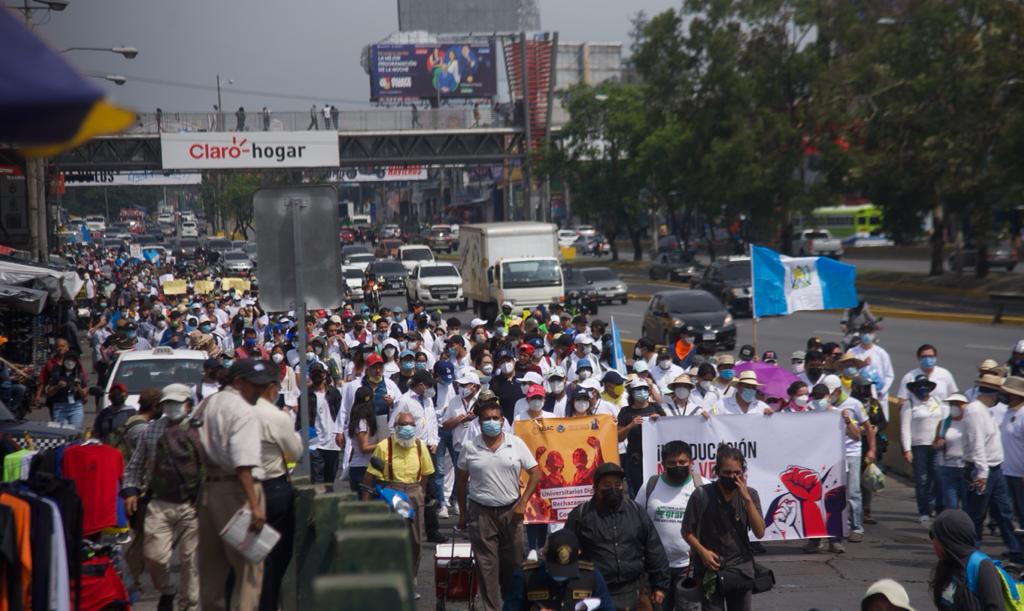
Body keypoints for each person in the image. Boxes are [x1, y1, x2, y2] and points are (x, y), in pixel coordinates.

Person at [196, 359, 273, 611]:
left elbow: (190, 438)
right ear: (238, 382)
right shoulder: (242, 410)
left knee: (211, 572)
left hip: (208, 489)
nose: (260, 391)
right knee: (249, 570)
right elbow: (243, 464)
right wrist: (254, 504)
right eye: (255, 385)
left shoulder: (209, 402)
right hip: (237, 492)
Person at [456, 399, 541, 611]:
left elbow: (535, 473)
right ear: (479, 421)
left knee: (513, 567)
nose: (491, 422)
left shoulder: (516, 443)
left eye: (495, 418)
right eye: (487, 419)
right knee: (486, 567)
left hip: (511, 512)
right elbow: (460, 480)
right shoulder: (469, 447)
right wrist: (462, 514)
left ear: (503, 420)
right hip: (481, 512)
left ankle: (513, 605)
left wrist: (523, 502)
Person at [122, 384, 199, 611]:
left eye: (177, 403)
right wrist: (131, 491)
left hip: (192, 505)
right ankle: (167, 589)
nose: (172, 407)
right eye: (168, 403)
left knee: (191, 561)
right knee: (154, 557)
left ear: (188, 404)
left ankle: (189, 605)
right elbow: (135, 465)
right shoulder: (150, 431)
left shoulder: (200, 431)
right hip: (159, 502)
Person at [564, 462, 670, 610]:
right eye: (607, 485)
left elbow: (654, 549)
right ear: (595, 488)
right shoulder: (581, 516)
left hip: (634, 592)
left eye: (617, 484)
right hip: (597, 593)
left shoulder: (636, 511)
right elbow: (565, 554)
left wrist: (660, 585)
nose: (613, 489)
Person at [682, 445, 766, 611]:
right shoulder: (701, 495)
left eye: (737, 473)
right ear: (717, 471)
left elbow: (760, 532)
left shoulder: (750, 494)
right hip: (709, 570)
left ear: (743, 471)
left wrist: (747, 500)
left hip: (740, 569)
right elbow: (686, 531)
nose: (732, 477)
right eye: (727, 473)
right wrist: (702, 552)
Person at [362, 408, 435, 577]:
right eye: (403, 424)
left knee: (415, 539)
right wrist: (364, 504)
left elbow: (426, 473)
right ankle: (390, 575)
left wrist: (420, 493)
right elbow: (369, 476)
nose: (408, 428)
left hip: (414, 492)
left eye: (411, 424)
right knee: (392, 537)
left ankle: (411, 577)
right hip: (392, 492)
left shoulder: (419, 446)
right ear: (396, 426)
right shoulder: (383, 446)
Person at [962, 373, 1023, 563]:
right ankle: (972, 552)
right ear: (993, 394)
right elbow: (977, 443)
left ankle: (1015, 550)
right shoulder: (975, 412)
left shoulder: (986, 410)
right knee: (976, 514)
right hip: (983, 469)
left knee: (1004, 512)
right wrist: (982, 473)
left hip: (996, 469)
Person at [634, 440, 702, 611]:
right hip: (655, 569)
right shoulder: (650, 486)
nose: (677, 466)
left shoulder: (702, 486)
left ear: (691, 463)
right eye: (672, 463)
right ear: (663, 464)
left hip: (690, 567)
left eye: (682, 462)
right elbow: (635, 521)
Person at [254, 378, 301, 611]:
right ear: (272, 390)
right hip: (273, 488)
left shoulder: (238, 413)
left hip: (238, 490)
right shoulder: (276, 416)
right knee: (275, 555)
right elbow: (295, 450)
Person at [501, 529, 616, 611]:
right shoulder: (525, 577)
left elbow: (607, 607)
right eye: (556, 570)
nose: (560, 578)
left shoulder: (591, 576)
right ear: (544, 556)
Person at [930, 509, 1007, 610]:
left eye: (937, 540)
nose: (934, 545)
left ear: (951, 541)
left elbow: (996, 607)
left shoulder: (983, 566)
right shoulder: (947, 564)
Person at [900, 373, 948, 524]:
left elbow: (944, 421)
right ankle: (924, 511)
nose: (923, 390)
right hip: (918, 447)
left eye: (925, 387)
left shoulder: (936, 401)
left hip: (935, 446)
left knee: (938, 478)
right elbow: (905, 428)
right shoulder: (910, 404)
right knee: (922, 480)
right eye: (919, 387)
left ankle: (936, 506)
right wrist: (907, 449)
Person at [617, 377, 665, 494]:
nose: (642, 392)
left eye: (644, 389)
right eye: (638, 389)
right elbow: (619, 437)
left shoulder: (656, 407)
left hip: (656, 457)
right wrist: (630, 425)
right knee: (638, 492)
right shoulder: (625, 412)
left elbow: (667, 430)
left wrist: (660, 421)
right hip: (635, 460)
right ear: (631, 393)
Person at [309, 364, 343, 484]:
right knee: (317, 480)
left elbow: (341, 414)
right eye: (314, 373)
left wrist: (341, 433)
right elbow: (300, 420)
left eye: (319, 373)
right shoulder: (307, 395)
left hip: (332, 443)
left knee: (329, 480)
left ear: (324, 375)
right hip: (314, 444)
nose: (317, 376)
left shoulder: (334, 393)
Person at [896, 345, 959, 410]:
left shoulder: (945, 374)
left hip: (943, 416)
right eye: (924, 357)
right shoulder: (909, 377)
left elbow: (953, 397)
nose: (927, 359)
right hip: (919, 417)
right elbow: (901, 402)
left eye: (930, 356)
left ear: (935, 357)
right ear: (918, 358)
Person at [934, 394, 968, 512]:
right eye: (952, 404)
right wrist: (939, 444)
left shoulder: (969, 423)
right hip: (947, 467)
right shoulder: (944, 423)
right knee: (950, 505)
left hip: (965, 468)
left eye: (957, 404)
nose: (954, 407)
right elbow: (935, 443)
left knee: (967, 504)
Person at [1000, 375, 1024, 529]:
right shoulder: (1008, 412)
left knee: (1022, 512)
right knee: (1009, 512)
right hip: (1006, 472)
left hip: (1020, 474)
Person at [346, 386, 378, 493]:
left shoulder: (362, 420)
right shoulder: (362, 422)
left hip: (363, 467)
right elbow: (364, 448)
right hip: (362, 468)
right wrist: (382, 444)